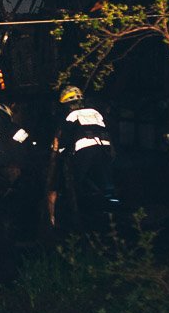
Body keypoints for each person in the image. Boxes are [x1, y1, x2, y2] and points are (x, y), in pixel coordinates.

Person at [48, 85, 117, 228]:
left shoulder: (71, 115)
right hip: (105, 149)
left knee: (74, 183)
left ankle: (77, 220)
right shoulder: (96, 112)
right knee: (104, 184)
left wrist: (58, 153)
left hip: (84, 150)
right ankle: (109, 215)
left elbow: (64, 138)